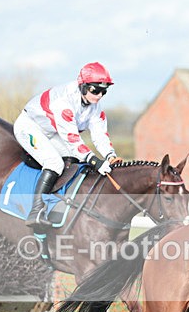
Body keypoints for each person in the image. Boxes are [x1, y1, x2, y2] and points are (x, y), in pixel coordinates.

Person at [14, 62, 121, 227]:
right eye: (95, 90)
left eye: (104, 91)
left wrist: (110, 156)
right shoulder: (64, 102)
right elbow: (73, 140)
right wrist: (96, 161)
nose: (99, 95)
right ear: (83, 86)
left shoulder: (95, 108)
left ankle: (59, 202)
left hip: (52, 131)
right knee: (54, 163)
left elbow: (100, 135)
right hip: (30, 127)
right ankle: (35, 211)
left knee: (75, 160)